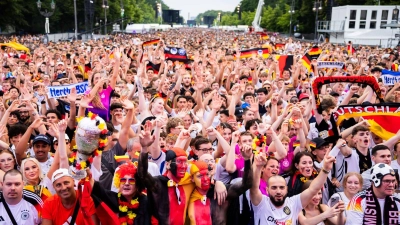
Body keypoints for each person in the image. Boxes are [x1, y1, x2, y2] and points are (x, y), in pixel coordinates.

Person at [250, 147, 336, 225]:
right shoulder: (261, 203)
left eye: (282, 187)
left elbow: (313, 189)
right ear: (267, 190)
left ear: (287, 189)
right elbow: (254, 188)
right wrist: (258, 167)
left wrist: (326, 169)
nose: (278, 191)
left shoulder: (294, 203)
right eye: (274, 188)